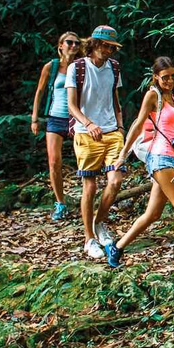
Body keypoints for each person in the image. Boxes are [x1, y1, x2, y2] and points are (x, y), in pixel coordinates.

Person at [107, 57, 174, 269]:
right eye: (165, 77)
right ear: (155, 77)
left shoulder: (171, 95)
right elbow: (137, 125)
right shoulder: (152, 95)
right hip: (160, 158)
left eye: (173, 76)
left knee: (153, 214)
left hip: (171, 157)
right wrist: (123, 155)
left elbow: (169, 128)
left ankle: (118, 247)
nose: (170, 81)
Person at [66, 25, 127, 259]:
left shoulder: (114, 67)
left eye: (112, 47)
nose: (108, 50)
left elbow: (115, 99)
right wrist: (88, 123)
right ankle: (89, 239)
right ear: (94, 44)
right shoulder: (77, 67)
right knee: (89, 186)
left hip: (112, 131)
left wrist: (120, 126)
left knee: (116, 180)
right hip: (85, 132)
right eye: (105, 45)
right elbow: (72, 105)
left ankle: (100, 223)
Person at [29, 31, 82, 221]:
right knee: (54, 162)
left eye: (76, 43)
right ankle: (60, 203)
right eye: (69, 42)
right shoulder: (51, 67)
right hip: (55, 117)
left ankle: (87, 199)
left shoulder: (81, 66)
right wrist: (35, 118)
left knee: (85, 159)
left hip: (77, 118)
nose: (73, 46)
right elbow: (40, 91)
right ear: (60, 45)